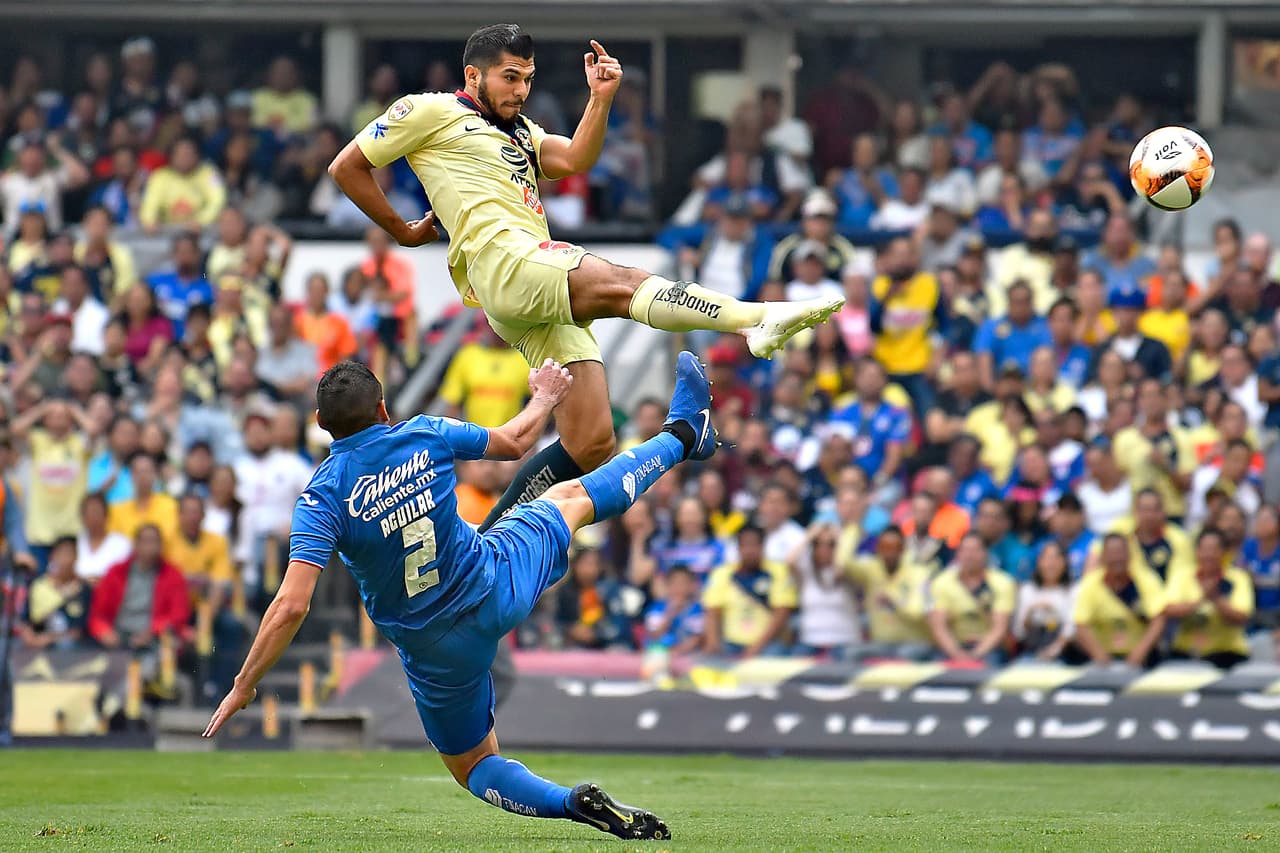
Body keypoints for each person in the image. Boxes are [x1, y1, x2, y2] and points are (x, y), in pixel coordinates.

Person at [328, 24, 841, 534]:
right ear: (472, 74)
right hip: (505, 263)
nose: (521, 90)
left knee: (593, 443)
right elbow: (347, 167)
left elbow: (575, 157)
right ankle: (754, 320)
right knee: (622, 281)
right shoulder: (429, 111)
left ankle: (492, 538)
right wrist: (403, 231)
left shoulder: (523, 132)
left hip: (527, 289)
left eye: (527, 78)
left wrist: (601, 98)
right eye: (509, 77)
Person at [204, 353, 724, 840]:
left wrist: (244, 684)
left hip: (434, 650)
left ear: (320, 422)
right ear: (384, 408)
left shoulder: (321, 497)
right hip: (493, 584)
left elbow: (292, 605)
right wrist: (542, 398)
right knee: (569, 498)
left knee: (474, 766)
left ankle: (569, 802)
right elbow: (516, 441)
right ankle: (683, 435)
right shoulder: (422, 433)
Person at [1071, 533, 1166, 667]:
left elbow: (1159, 619)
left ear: (1129, 555)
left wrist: (1140, 651)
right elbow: (1081, 624)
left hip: (1142, 659)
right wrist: (1099, 654)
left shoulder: (1146, 580)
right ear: (1103, 557)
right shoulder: (1091, 583)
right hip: (1103, 660)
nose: (1117, 558)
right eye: (1112, 554)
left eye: (1120, 553)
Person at [1164, 528, 1254, 670]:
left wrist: (1216, 599)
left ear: (1224, 552)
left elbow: (1242, 617)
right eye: (1204, 549)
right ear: (1197, 551)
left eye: (1214, 549)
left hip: (1226, 653)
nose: (1209, 555)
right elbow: (1169, 610)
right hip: (1185, 651)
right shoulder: (1182, 576)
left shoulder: (1238, 578)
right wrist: (1199, 601)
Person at [926, 533, 1016, 665]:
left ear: (986, 553)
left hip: (988, 648)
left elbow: (999, 628)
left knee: (992, 663)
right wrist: (957, 654)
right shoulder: (941, 582)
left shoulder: (1003, 582)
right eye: (965, 550)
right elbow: (939, 626)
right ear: (958, 554)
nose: (970, 555)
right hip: (952, 646)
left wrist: (975, 655)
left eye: (975, 550)